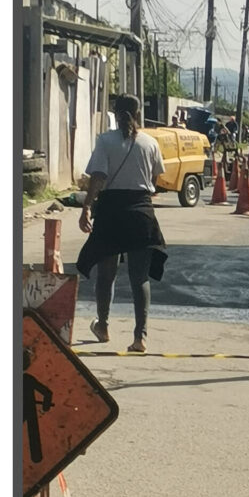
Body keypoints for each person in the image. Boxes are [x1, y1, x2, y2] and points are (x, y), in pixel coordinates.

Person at [76, 94, 168, 354]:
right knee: (140, 278)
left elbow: (98, 176)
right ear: (138, 114)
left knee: (107, 274)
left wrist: (86, 208)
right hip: (141, 213)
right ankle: (140, 338)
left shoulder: (105, 141)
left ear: (115, 113)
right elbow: (156, 178)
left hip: (112, 212)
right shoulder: (150, 143)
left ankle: (103, 326)